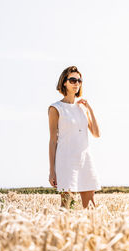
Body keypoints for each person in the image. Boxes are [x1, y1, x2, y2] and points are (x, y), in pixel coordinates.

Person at [48, 66, 101, 209]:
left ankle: (91, 231)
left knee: (91, 206)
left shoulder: (82, 107)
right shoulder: (56, 108)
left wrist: (89, 109)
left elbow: (96, 133)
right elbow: (53, 141)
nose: (76, 83)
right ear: (64, 82)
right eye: (72, 80)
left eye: (79, 80)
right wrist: (52, 170)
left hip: (85, 159)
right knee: (66, 205)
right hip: (66, 160)